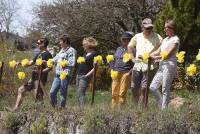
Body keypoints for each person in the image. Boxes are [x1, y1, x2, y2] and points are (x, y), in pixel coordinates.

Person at [10, 37, 52, 111]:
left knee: (38, 96)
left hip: (40, 79)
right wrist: (20, 63)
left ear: (43, 44)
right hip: (33, 78)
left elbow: (50, 68)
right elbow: (31, 62)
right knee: (21, 90)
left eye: (38, 43)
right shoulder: (39, 53)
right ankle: (16, 108)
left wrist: (41, 72)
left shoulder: (48, 54)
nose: (37, 44)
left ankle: (42, 112)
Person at [128, 18, 163, 104]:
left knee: (144, 88)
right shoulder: (137, 36)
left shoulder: (157, 36)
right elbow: (130, 46)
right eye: (147, 28)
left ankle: (143, 107)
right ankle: (135, 105)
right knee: (133, 87)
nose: (149, 29)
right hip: (137, 65)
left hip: (150, 66)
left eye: (151, 28)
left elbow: (163, 45)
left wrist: (156, 57)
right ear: (142, 27)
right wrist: (132, 57)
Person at [149, 19, 180, 110]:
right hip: (162, 65)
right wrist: (148, 55)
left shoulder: (175, 39)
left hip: (170, 65)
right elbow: (158, 51)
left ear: (172, 28)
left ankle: (164, 110)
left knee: (165, 88)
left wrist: (155, 58)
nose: (164, 29)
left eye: (166, 27)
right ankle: (163, 104)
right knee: (153, 87)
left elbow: (168, 54)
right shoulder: (165, 39)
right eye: (164, 27)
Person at [50, 35, 76, 109]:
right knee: (52, 92)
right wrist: (48, 61)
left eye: (61, 41)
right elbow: (55, 59)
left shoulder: (71, 50)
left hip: (65, 75)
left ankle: (62, 109)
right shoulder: (61, 50)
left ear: (65, 42)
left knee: (62, 93)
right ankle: (55, 108)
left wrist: (64, 63)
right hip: (58, 74)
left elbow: (72, 62)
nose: (59, 43)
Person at [110, 31, 135, 108]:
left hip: (126, 72)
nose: (124, 41)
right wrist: (112, 68)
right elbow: (114, 59)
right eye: (123, 39)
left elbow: (135, 63)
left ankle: (121, 109)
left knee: (122, 92)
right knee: (114, 92)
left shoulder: (133, 50)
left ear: (130, 40)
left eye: (126, 39)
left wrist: (130, 72)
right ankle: (113, 108)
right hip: (116, 72)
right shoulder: (119, 48)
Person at [76, 37, 99, 108]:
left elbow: (95, 67)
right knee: (78, 93)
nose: (83, 46)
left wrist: (87, 75)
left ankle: (82, 109)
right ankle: (80, 108)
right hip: (79, 75)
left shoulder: (95, 54)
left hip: (85, 75)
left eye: (84, 45)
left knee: (81, 92)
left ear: (88, 45)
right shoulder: (84, 54)